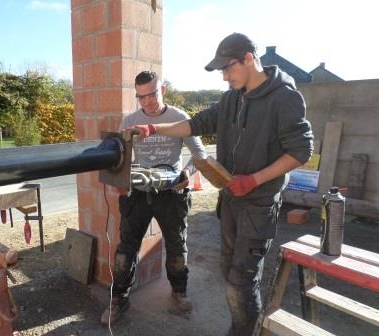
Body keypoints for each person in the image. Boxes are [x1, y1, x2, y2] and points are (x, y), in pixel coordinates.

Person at [130, 33, 314, 335]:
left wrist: (254, 179)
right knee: (229, 271)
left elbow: (301, 151)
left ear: (249, 59)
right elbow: (196, 123)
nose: (225, 77)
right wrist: (153, 128)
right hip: (231, 198)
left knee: (242, 280)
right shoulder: (231, 98)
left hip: (259, 202)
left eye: (228, 69)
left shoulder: (285, 97)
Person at [100, 70, 207, 325]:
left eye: (152, 94)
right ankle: (118, 300)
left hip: (171, 191)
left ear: (163, 90)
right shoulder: (130, 122)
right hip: (139, 191)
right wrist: (119, 181)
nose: (147, 101)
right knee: (125, 250)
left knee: (177, 247)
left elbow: (200, 153)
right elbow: (119, 157)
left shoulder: (179, 118)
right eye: (141, 97)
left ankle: (179, 292)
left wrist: (187, 173)